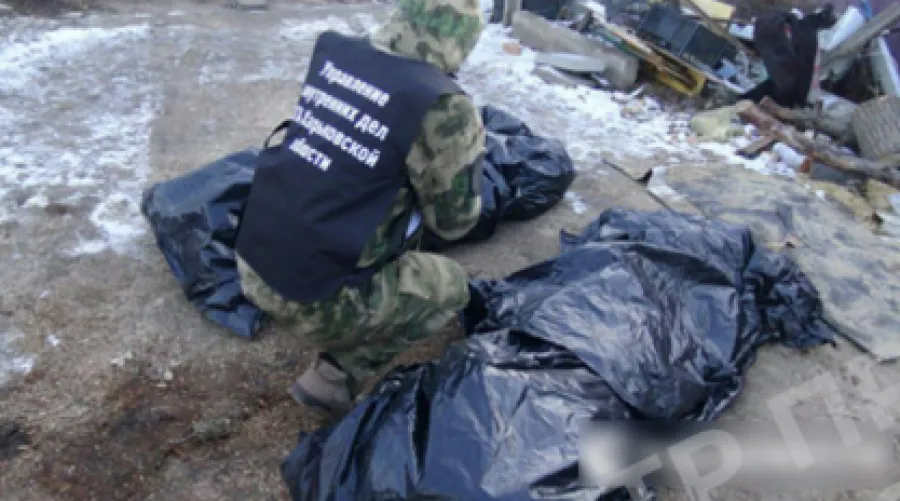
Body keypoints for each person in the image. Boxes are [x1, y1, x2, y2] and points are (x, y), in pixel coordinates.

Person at [234, 0, 486, 416]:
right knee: (449, 286)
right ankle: (334, 377)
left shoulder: (339, 51)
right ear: (461, 38)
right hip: (309, 297)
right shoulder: (442, 103)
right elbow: (454, 222)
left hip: (252, 257)